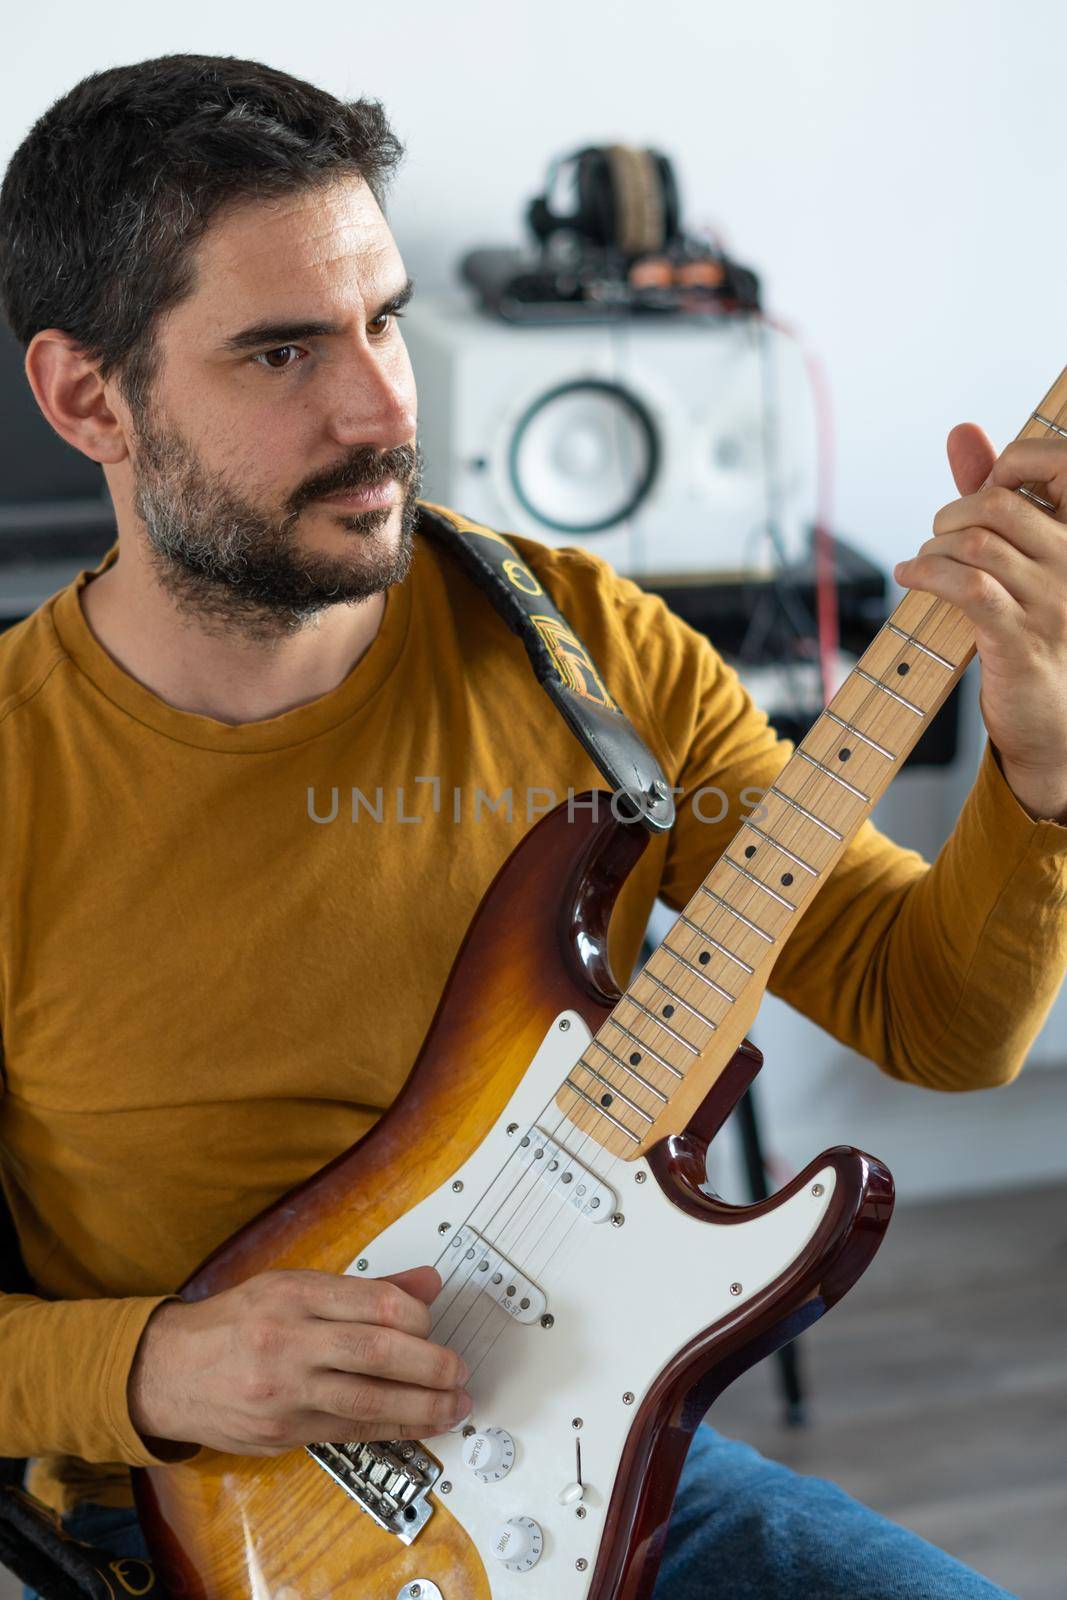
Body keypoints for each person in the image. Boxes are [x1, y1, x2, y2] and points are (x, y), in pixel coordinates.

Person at [0, 54, 1063, 1600]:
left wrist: (1040, 777)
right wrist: (153, 1369)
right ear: (87, 396)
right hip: (193, 1518)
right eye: (283, 353)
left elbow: (940, 1021)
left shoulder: (587, 655)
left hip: (590, 1450)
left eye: (383, 320)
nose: (378, 405)